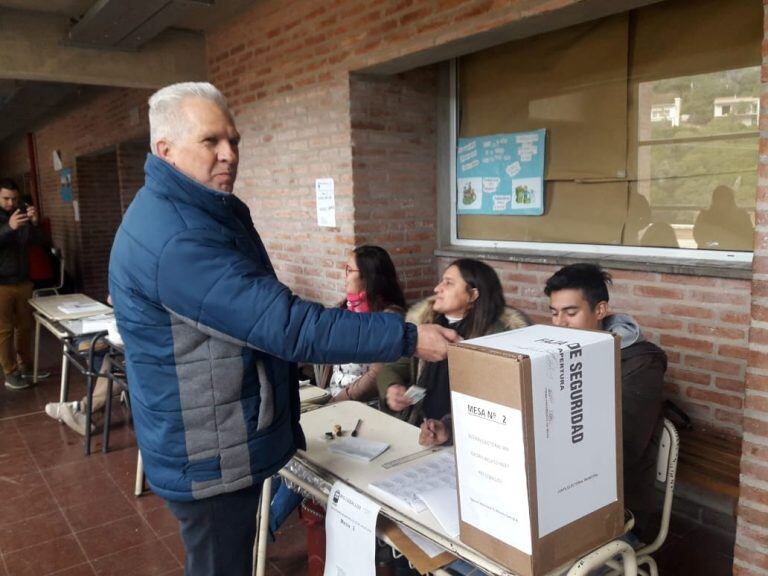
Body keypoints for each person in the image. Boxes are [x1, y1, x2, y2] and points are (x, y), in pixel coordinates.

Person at [108, 82, 457, 576]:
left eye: (234, 141)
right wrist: (406, 336)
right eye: (211, 142)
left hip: (214, 435)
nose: (229, 155)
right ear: (164, 149)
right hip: (210, 450)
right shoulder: (178, 237)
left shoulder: (195, 211)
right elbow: (285, 324)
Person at [544, 263, 666, 542]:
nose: (560, 323)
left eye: (571, 313)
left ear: (600, 311)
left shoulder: (641, 364)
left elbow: (622, 450)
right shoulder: (554, 352)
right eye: (554, 313)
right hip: (560, 492)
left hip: (617, 508)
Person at [379, 258, 529, 443]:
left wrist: (449, 430)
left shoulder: (500, 339)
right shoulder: (424, 325)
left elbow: (504, 403)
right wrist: (392, 388)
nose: (437, 289)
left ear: (473, 295)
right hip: (418, 427)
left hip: (475, 440)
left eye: (448, 283)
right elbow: (393, 367)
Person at [321, 244, 407, 403]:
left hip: (366, 405)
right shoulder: (345, 309)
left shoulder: (389, 319)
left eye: (350, 270)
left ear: (368, 276)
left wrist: (336, 402)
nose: (345, 276)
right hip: (333, 397)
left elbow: (376, 376)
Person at [0, 178, 48, 390]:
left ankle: (26, 367)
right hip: (1, 284)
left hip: (23, 280)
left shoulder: (20, 215)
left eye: (14, 198)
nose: (10, 203)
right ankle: (10, 373)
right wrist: (8, 228)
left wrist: (35, 222)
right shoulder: (8, 220)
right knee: (4, 331)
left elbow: (39, 241)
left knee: (25, 328)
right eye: (6, 198)